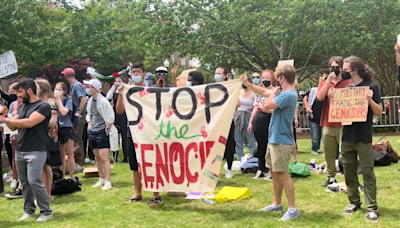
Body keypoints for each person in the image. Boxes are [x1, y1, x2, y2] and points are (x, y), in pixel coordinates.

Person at [245, 65, 299, 221]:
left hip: (281, 140)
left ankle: (292, 208)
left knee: (283, 173)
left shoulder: (287, 95)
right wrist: (248, 85)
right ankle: (277, 203)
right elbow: (262, 92)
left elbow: (267, 104)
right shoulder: (282, 93)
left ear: (282, 78)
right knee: (274, 172)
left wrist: (273, 94)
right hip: (274, 138)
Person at [0, 78, 53, 222]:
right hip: (21, 149)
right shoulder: (22, 107)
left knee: (34, 180)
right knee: (24, 183)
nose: (18, 95)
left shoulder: (43, 106)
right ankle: (29, 210)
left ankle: (46, 211)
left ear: (29, 90)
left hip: (36, 149)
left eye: (20, 92)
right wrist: (5, 117)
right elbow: (13, 126)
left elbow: (29, 123)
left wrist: (6, 120)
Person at [340, 56, 381, 221]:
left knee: (367, 172)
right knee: (349, 172)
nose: (343, 72)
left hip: (363, 137)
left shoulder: (372, 86)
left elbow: (378, 112)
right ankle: (354, 202)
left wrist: (369, 100)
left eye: (345, 69)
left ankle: (371, 207)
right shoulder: (347, 88)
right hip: (347, 136)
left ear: (354, 70)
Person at [116, 62, 163, 206]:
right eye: (133, 72)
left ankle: (156, 195)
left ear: (144, 73)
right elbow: (119, 111)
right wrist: (120, 94)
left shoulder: (150, 90)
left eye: (138, 72)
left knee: (153, 162)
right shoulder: (128, 91)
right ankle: (137, 193)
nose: (135, 74)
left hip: (149, 133)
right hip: (133, 132)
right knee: (135, 165)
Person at [316, 56, 351, 187]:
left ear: (342, 68)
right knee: (329, 153)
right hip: (328, 123)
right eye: (332, 67)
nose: (334, 70)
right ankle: (331, 177)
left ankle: (350, 177)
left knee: (346, 152)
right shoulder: (325, 83)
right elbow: (319, 97)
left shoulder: (348, 82)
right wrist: (328, 82)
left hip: (344, 124)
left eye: (337, 67)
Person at [246, 70, 277, 179]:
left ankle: (270, 170)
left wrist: (267, 110)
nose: (264, 80)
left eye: (267, 77)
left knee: (270, 145)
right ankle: (260, 169)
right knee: (260, 145)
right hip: (259, 118)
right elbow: (255, 107)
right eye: (263, 78)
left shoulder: (275, 91)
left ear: (272, 78)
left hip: (270, 118)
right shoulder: (259, 91)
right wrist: (251, 121)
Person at [84, 79, 114, 191]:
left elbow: (110, 117)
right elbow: (89, 114)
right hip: (93, 130)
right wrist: (89, 124)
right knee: (97, 156)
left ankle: (108, 180)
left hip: (102, 131)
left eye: (89, 86)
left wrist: (107, 127)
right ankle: (101, 178)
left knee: (104, 157)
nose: (87, 88)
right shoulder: (90, 100)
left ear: (95, 88)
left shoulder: (103, 101)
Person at [35, 79, 58, 200]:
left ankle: (47, 193)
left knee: (45, 164)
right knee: (43, 165)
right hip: (40, 136)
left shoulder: (50, 102)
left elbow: (53, 121)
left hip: (48, 136)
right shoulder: (38, 102)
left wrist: (35, 122)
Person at [62, 68, 88, 164]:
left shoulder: (76, 85)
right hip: (76, 116)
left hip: (79, 116)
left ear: (66, 76)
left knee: (78, 138)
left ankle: (80, 161)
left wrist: (79, 114)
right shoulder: (73, 86)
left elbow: (83, 100)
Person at [214, 67, 236, 178]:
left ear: (225, 76)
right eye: (216, 73)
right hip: (215, 122)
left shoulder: (231, 88)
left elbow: (238, 104)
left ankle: (229, 169)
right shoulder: (211, 88)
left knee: (229, 145)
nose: (217, 75)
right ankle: (213, 170)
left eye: (219, 73)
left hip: (228, 120)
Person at [54, 82, 77, 178]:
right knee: (61, 155)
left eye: (59, 89)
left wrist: (59, 101)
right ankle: (62, 176)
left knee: (70, 154)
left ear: (64, 91)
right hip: (58, 128)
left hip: (67, 128)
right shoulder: (53, 101)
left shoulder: (68, 101)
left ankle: (71, 176)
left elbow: (64, 112)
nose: (56, 91)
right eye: (56, 89)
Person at [106, 76, 129, 163]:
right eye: (116, 81)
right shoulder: (114, 92)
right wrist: (113, 87)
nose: (117, 82)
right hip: (115, 115)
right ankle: (115, 156)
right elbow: (108, 97)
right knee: (114, 136)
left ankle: (126, 157)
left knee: (124, 137)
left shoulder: (125, 90)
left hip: (124, 115)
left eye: (119, 81)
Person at [234, 75, 257, 161]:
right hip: (239, 116)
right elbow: (237, 104)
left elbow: (255, 105)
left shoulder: (253, 93)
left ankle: (252, 157)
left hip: (249, 115)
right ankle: (239, 158)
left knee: (251, 139)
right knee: (238, 139)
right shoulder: (239, 92)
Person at [303, 87, 322, 154]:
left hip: (323, 117)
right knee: (315, 135)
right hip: (313, 116)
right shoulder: (314, 90)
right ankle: (314, 149)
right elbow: (305, 98)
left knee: (325, 135)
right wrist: (307, 107)